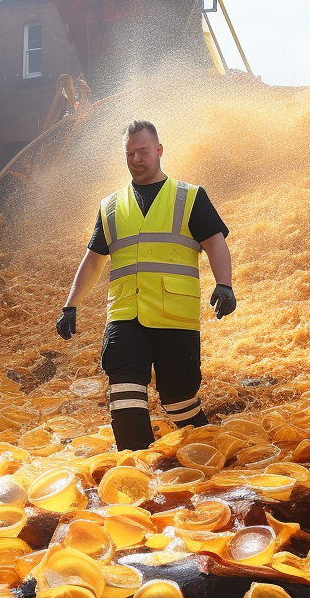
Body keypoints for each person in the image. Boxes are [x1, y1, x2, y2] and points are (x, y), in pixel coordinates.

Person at [56, 119, 236, 450]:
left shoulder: (190, 197)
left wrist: (224, 284)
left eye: (142, 151)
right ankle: (136, 472)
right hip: (125, 315)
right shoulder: (110, 206)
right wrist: (70, 305)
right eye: (129, 153)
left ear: (158, 151)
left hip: (174, 316)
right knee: (124, 391)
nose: (136, 159)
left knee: (178, 399)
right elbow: (94, 261)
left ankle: (211, 456)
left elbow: (214, 242)